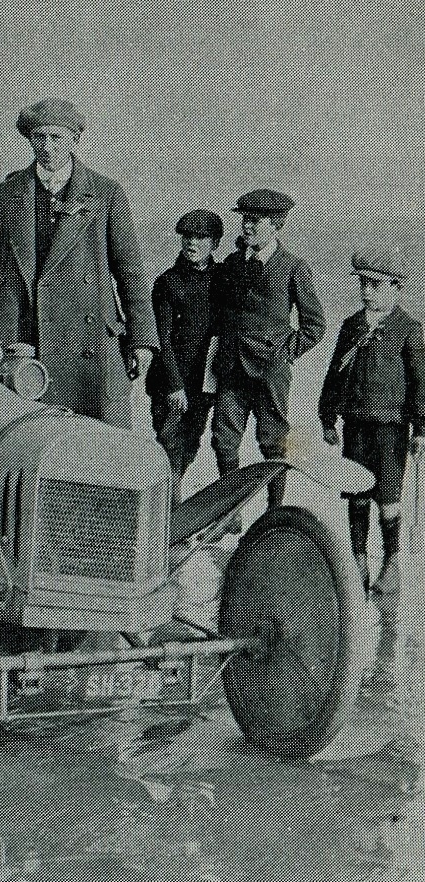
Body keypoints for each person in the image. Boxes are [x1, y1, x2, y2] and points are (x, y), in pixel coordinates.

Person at [0, 99, 157, 429]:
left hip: (90, 343)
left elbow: (130, 271)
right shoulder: (7, 193)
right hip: (25, 336)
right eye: (39, 137)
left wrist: (142, 339)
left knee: (100, 444)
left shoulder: (105, 193)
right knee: (25, 439)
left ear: (74, 140)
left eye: (56, 138)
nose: (47, 147)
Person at [320, 247, 425, 687]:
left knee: (389, 500)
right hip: (355, 424)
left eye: (377, 285)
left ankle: (393, 561)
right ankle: (359, 559)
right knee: (356, 497)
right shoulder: (350, 328)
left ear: (395, 290)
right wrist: (327, 415)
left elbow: (421, 382)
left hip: (390, 427)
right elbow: (333, 375)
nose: (368, 292)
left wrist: (421, 427)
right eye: (364, 284)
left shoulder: (409, 330)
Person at [209, 189, 325, 510]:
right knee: (223, 439)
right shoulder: (232, 263)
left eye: (254, 221)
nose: (246, 227)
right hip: (232, 366)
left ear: (275, 225)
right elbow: (220, 310)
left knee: (273, 444)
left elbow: (315, 325)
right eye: (245, 220)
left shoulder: (294, 267)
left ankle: (273, 514)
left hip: (270, 372)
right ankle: (231, 510)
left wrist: (284, 352)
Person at [147, 210, 223, 497]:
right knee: (169, 444)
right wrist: (174, 386)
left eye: (201, 238)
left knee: (191, 443)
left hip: (203, 382)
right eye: (187, 237)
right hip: (171, 381)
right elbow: (161, 339)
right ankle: (170, 510)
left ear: (215, 243)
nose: (191, 243)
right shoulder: (167, 283)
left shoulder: (221, 279)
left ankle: (171, 502)